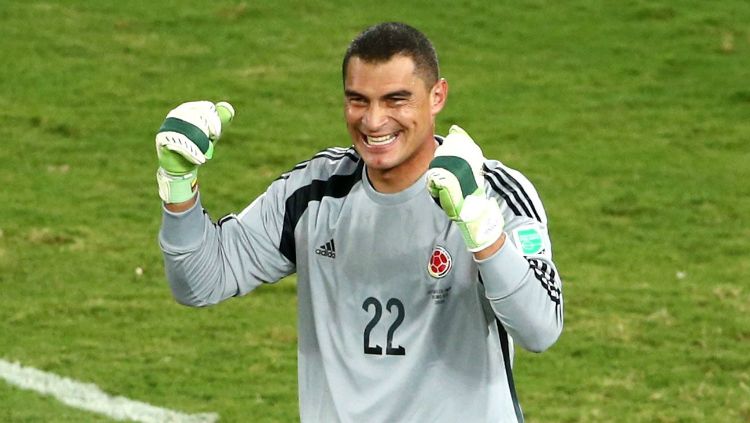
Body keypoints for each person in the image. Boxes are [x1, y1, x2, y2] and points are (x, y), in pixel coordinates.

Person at [155, 22, 563, 423]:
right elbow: (201, 283)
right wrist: (178, 186)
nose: (373, 121)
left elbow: (540, 329)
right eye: (358, 100)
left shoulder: (492, 193)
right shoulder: (316, 192)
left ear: (437, 96)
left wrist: (481, 228)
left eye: (395, 100)